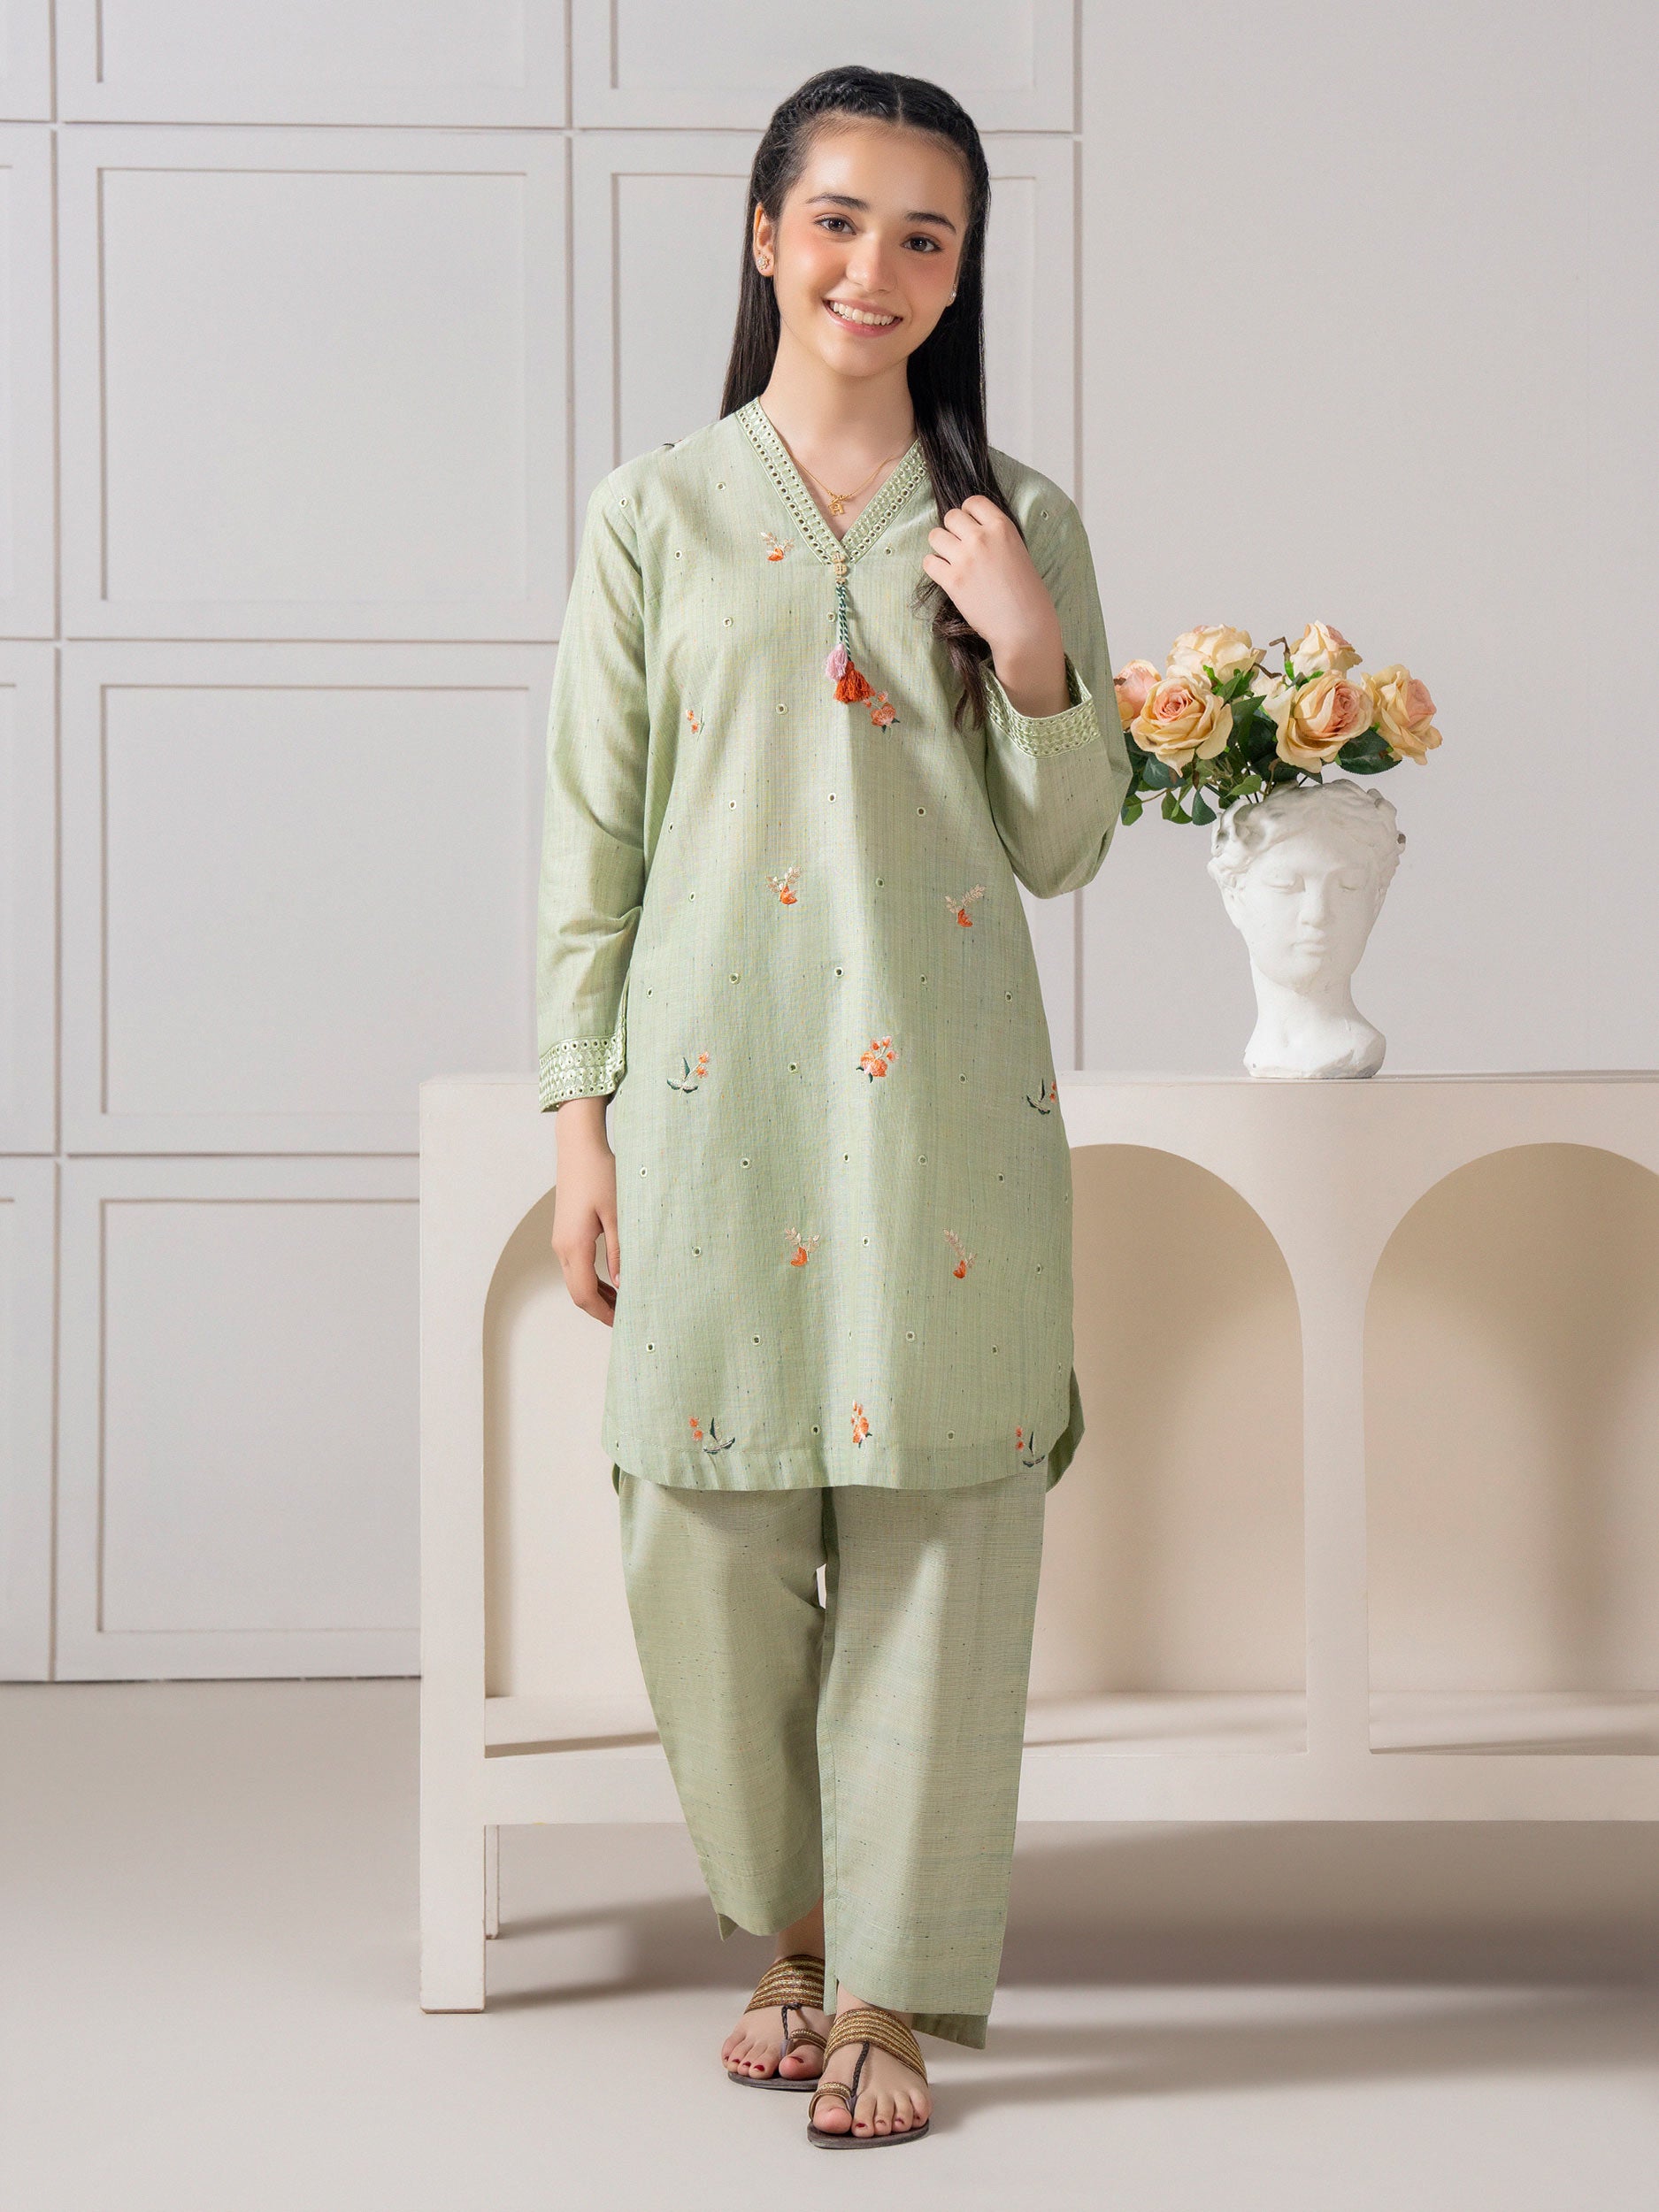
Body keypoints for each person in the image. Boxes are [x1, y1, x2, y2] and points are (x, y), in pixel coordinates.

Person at [536, 64, 1132, 2147]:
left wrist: (1030, 651)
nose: (874, 267)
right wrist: (579, 1121)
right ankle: (795, 1927)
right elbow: (589, 840)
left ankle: (880, 1989)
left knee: (939, 1538)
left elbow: (1063, 844)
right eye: (839, 220)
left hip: (945, 1113)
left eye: (922, 236)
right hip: (711, 1109)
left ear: (958, 274)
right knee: (694, 1524)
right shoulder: (655, 512)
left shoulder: (1012, 518)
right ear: (764, 235)